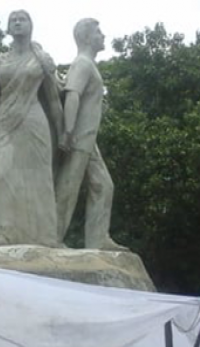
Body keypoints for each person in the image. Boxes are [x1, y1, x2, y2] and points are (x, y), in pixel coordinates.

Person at [0, 10, 63, 247]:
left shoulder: (41, 59)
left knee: (40, 177)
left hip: (34, 120)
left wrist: (64, 132)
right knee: (3, 175)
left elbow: (54, 100)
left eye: (22, 19)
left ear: (30, 26)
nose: (17, 22)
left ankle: (46, 236)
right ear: (8, 27)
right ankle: (5, 234)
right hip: (4, 121)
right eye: (13, 20)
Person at [55, 18, 126, 250]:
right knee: (69, 187)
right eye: (98, 32)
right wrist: (68, 131)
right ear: (86, 37)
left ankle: (98, 240)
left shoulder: (88, 64)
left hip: (88, 138)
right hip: (78, 136)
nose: (103, 36)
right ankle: (53, 237)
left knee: (103, 186)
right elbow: (72, 94)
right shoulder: (82, 64)